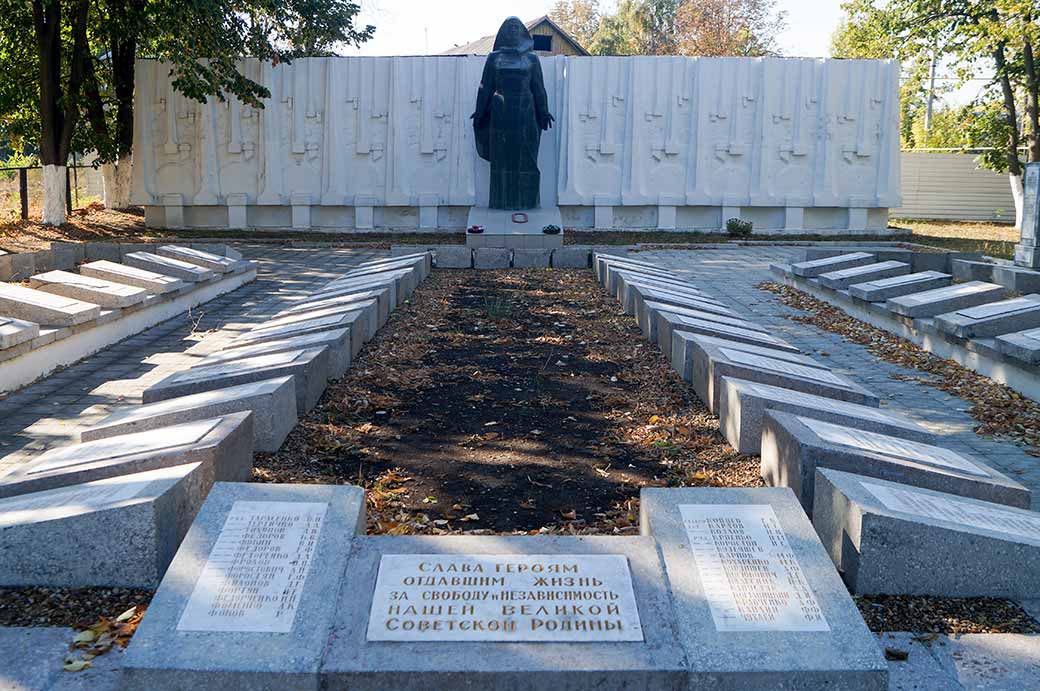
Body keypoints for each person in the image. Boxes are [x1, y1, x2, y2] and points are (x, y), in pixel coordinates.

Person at [471, 17, 554, 210]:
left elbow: (538, 88)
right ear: (503, 33)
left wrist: (544, 112)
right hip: (501, 114)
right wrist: (479, 112)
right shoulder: (494, 58)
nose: (513, 30)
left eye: (517, 27)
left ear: (522, 32)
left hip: (526, 114)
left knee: (527, 159)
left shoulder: (531, 59)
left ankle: (528, 203)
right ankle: (501, 203)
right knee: (502, 160)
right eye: (509, 28)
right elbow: (485, 88)